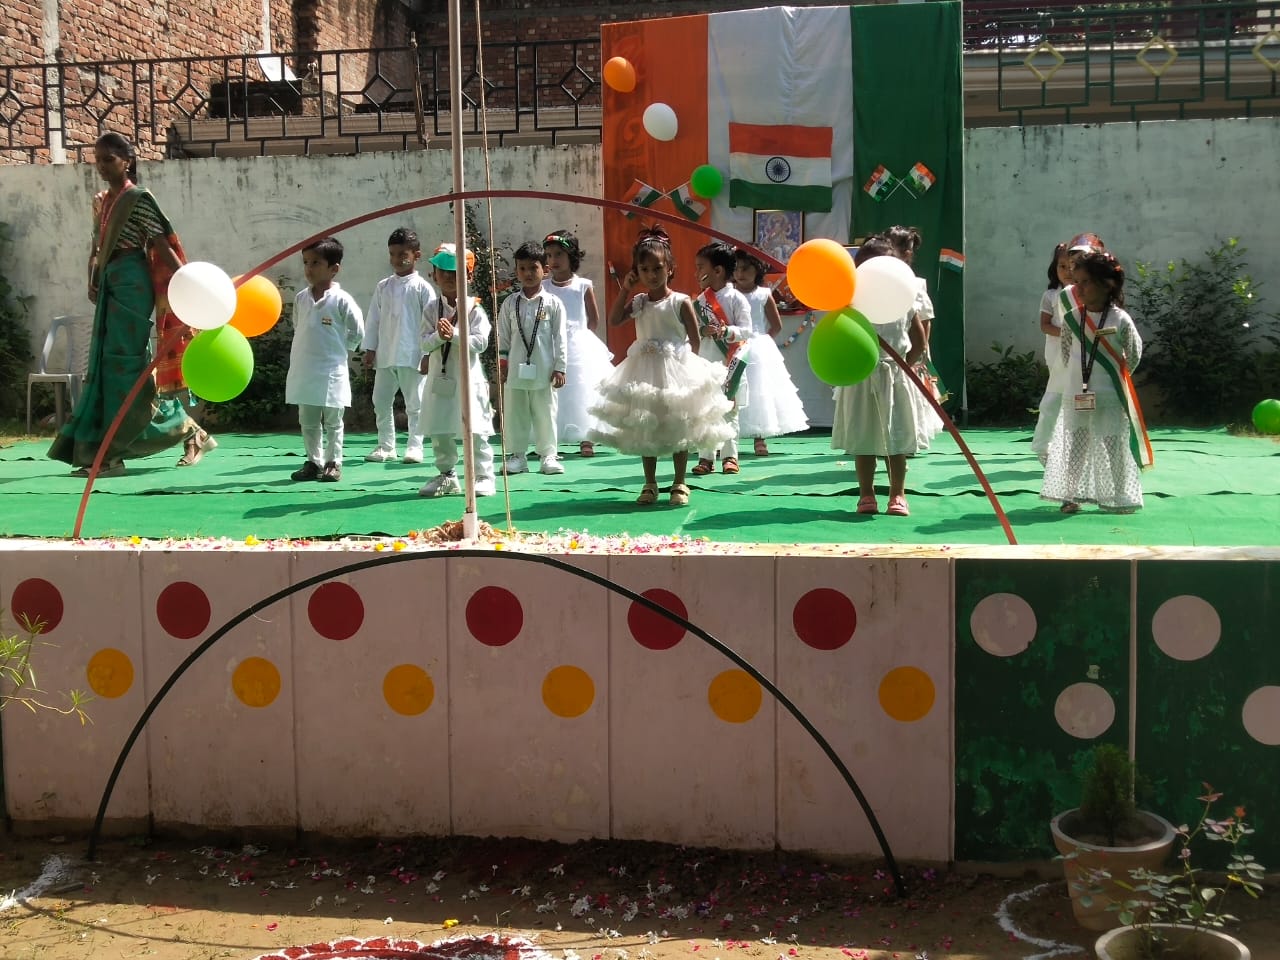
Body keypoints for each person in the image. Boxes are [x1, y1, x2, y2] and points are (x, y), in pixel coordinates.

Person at [49, 131, 215, 478]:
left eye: (109, 159)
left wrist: (188, 282)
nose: (102, 166)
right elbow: (96, 246)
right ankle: (184, 431)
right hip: (109, 282)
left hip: (133, 283)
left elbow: (161, 243)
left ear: (127, 161)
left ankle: (113, 454)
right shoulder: (101, 201)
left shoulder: (137, 199)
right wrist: (92, 278)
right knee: (107, 369)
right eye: (97, 160)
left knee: (124, 367)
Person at [587, 226, 734, 506]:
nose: (652, 275)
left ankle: (679, 481)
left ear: (670, 268)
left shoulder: (680, 301)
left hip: (677, 370)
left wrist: (684, 367)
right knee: (646, 423)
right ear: (637, 272)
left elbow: (694, 339)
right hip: (643, 372)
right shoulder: (639, 302)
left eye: (657, 268)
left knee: (679, 424)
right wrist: (625, 289)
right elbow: (615, 320)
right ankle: (650, 482)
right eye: (644, 269)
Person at [829, 236, 936, 517]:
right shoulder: (851, 302)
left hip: (893, 376)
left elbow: (919, 341)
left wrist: (903, 366)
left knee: (895, 439)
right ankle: (866, 495)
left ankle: (897, 494)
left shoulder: (903, 300)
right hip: (860, 376)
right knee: (863, 438)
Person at [1041, 250, 1151, 514]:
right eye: (1076, 282)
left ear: (1107, 284)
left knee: (1114, 444)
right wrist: (1078, 379)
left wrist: (1115, 377)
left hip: (1110, 394)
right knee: (1075, 446)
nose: (1078, 288)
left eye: (1086, 282)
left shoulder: (1119, 319)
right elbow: (1066, 353)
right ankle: (1071, 494)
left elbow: (1133, 353)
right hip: (1076, 393)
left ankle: (1120, 494)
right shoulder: (1072, 318)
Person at [417, 242, 497, 498]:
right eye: (443, 271)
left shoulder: (474, 309)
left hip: (468, 379)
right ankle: (447, 474)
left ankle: (483, 476)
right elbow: (424, 343)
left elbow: (480, 343)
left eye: (455, 272)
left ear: (468, 276)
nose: (449, 277)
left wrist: (453, 335)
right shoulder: (431, 309)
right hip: (440, 377)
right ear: (434, 275)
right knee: (439, 427)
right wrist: (439, 337)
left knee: (475, 428)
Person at [284, 237, 364, 482]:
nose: (309, 268)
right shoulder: (301, 298)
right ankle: (313, 461)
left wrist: (340, 349)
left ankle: (333, 462)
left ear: (334, 268)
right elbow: (298, 327)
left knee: (333, 420)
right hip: (304, 368)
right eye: (306, 262)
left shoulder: (341, 300)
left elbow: (357, 331)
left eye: (316, 263)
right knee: (307, 419)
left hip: (331, 370)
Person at [361, 227, 437, 464]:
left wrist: (427, 354)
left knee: (415, 404)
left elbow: (431, 324)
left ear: (416, 255)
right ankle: (386, 446)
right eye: (392, 254)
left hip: (412, 355)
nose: (396, 259)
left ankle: (415, 447)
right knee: (381, 401)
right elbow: (373, 319)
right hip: (385, 354)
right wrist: (370, 349)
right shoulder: (383, 286)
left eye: (402, 254)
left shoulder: (423, 288)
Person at [541, 230, 613, 458]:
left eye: (558, 254)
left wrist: (580, 336)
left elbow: (593, 319)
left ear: (571, 255)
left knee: (583, 390)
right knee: (553, 391)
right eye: (549, 255)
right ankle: (549, 438)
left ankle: (587, 437)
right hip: (551, 344)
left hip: (579, 346)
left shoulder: (583, 285)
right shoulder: (544, 287)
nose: (553, 260)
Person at [499, 241, 567, 476]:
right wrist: (502, 363)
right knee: (514, 412)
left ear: (545, 270)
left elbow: (560, 337)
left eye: (533, 268)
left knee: (545, 412)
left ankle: (548, 456)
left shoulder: (553, 303)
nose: (528, 273)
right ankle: (517, 456)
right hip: (515, 370)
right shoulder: (510, 303)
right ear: (516, 271)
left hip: (544, 369)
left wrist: (560, 367)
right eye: (522, 268)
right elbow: (503, 337)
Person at [732, 249, 809, 456]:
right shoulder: (729, 293)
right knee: (733, 389)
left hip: (758, 347)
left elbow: (776, 325)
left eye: (746, 269)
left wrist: (762, 340)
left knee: (760, 392)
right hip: (733, 344)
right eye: (737, 269)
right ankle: (729, 438)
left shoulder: (763, 294)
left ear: (757, 270)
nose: (740, 273)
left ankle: (760, 437)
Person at [691, 241, 752, 476]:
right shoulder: (700, 302)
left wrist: (726, 331)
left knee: (729, 410)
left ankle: (730, 456)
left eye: (700, 267)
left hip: (730, 362)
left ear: (717, 270)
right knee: (705, 410)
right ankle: (706, 457)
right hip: (706, 362)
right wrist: (702, 330)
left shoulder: (737, 299)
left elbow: (746, 330)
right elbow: (692, 330)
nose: (696, 272)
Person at [886, 224, 946, 420]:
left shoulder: (914, 284)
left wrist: (919, 353)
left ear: (907, 253)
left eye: (892, 246)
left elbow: (925, 321)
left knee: (910, 399)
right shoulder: (877, 279)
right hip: (888, 347)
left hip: (909, 352)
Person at [1031, 240, 1074, 465]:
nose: (1067, 271)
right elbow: (1045, 325)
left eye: (1072, 266)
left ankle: (1070, 448)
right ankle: (1043, 446)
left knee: (1078, 399)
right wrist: (1069, 334)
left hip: (1083, 353)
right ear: (1054, 268)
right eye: (1062, 266)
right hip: (1058, 353)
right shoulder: (1050, 295)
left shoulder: (1087, 294)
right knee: (1055, 397)